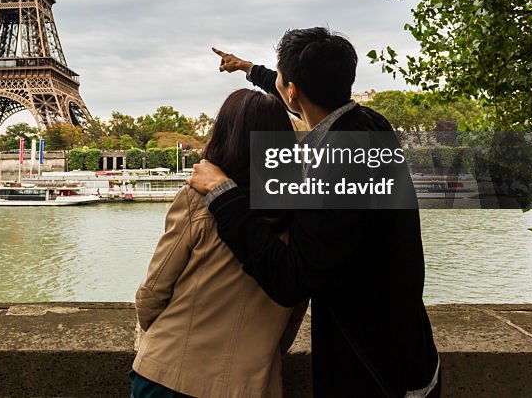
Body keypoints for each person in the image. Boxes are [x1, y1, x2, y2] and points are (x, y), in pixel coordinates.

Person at [189, 28, 440, 397]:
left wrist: (222, 194)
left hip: (374, 375)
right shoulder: (372, 125)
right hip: (412, 352)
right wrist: (249, 69)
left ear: (292, 90)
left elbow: (290, 279)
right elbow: (292, 92)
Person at [131, 89, 308, 398]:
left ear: (224, 134)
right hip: (252, 384)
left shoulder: (197, 199)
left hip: (171, 374)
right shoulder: (303, 215)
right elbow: (293, 312)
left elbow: (153, 292)